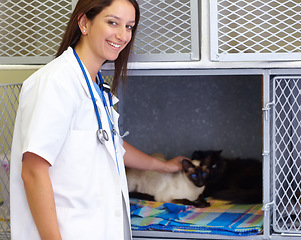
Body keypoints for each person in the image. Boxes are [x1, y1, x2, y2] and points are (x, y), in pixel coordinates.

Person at [10, 0, 184, 239]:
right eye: (113, 22)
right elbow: (33, 171)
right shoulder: (55, 83)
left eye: (129, 26)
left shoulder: (95, 86)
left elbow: (110, 145)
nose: (123, 35)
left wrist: (164, 166)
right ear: (84, 23)